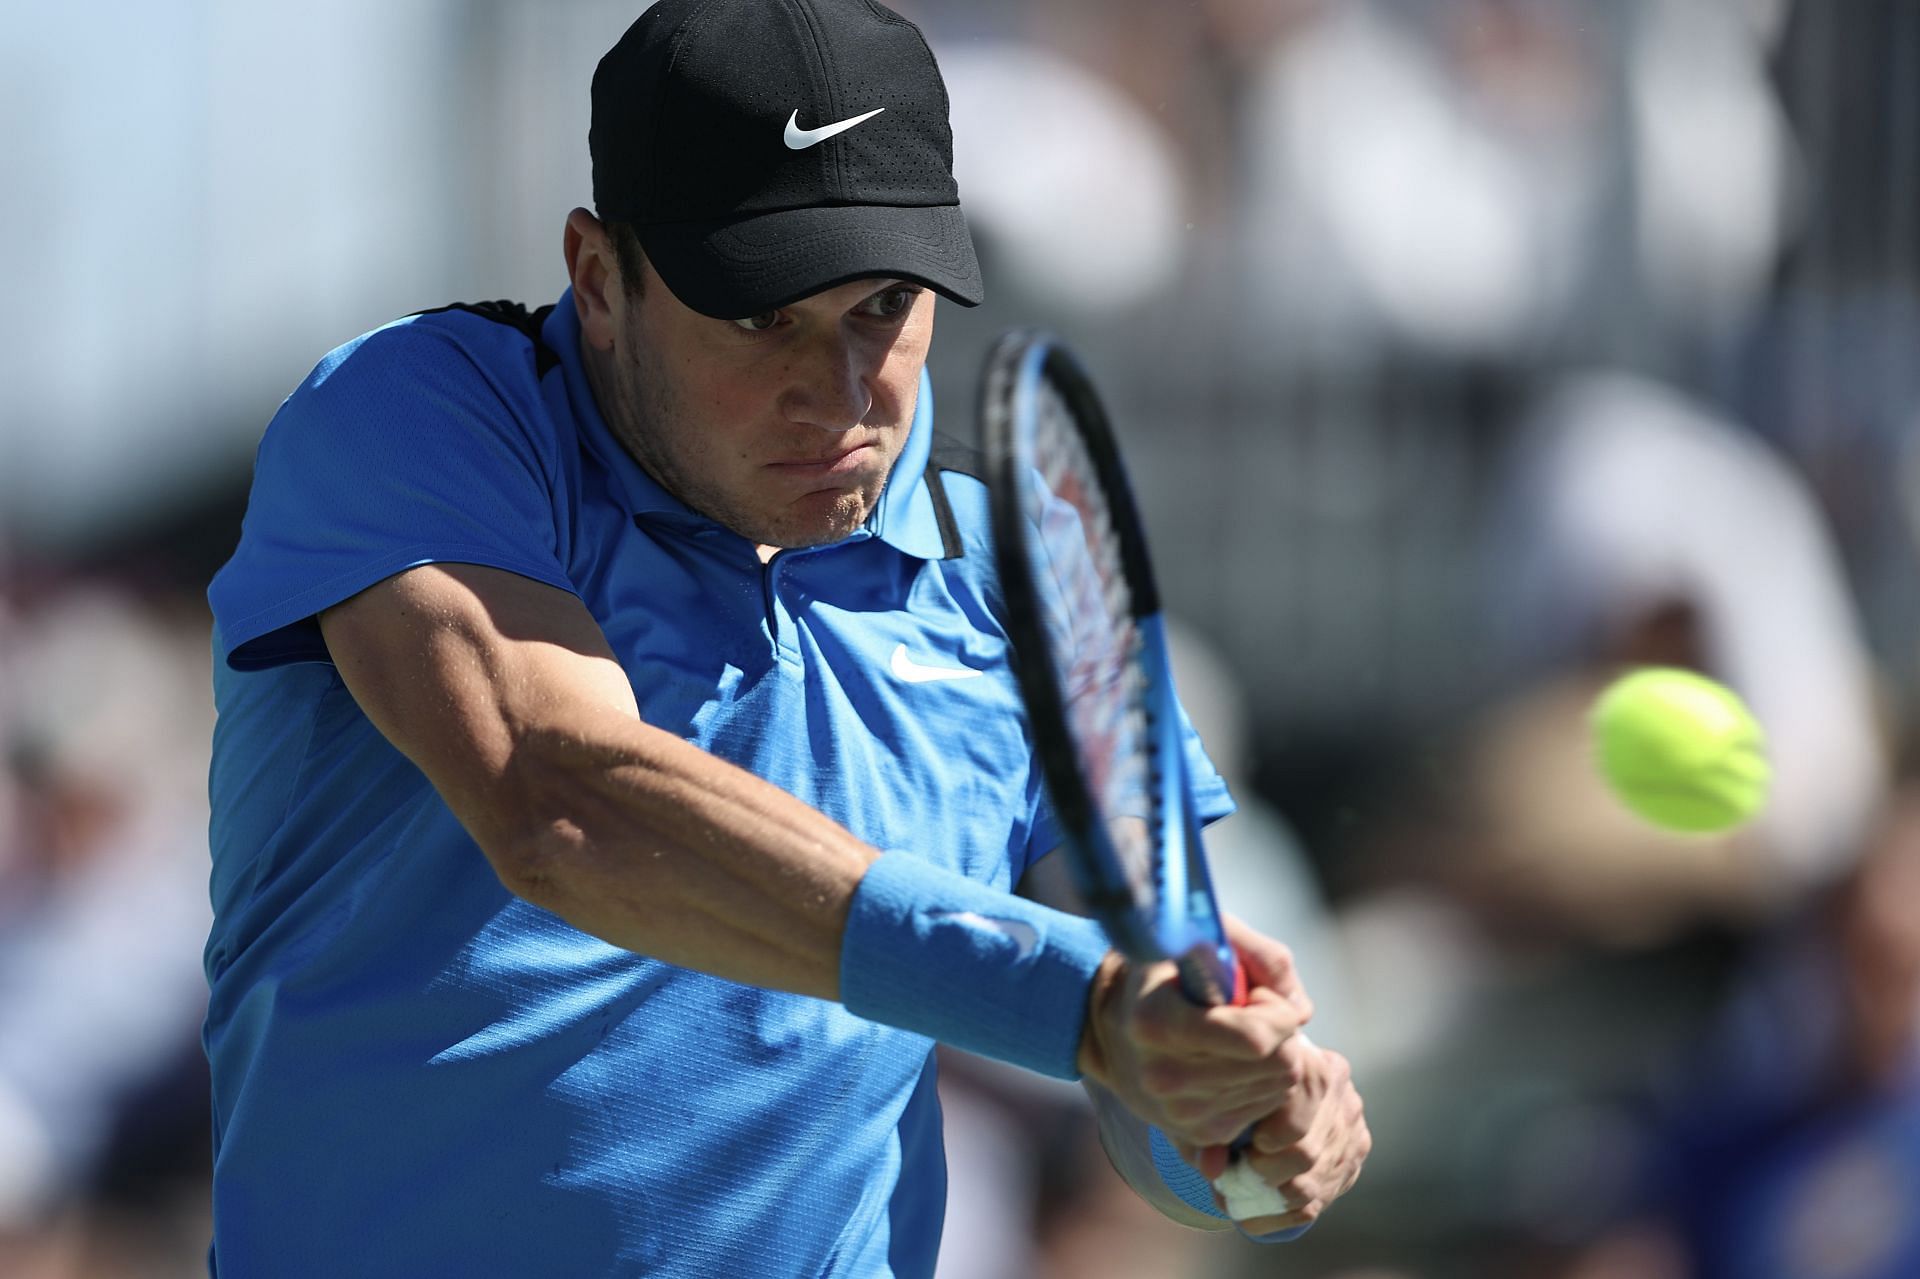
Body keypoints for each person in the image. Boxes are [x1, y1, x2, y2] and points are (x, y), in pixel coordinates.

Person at [203, 1, 1369, 1274]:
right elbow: (563, 803)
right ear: (599, 278)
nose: (840, 390)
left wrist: (1241, 1127)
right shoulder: (420, 416)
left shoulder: (1035, 581)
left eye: (884, 304)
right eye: (763, 318)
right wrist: (1075, 1003)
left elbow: (1165, 1089)